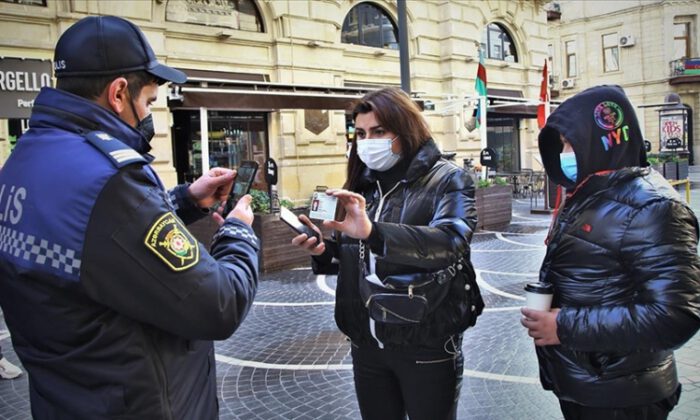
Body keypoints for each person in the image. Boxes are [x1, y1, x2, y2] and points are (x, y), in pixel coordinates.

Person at [0, 16, 259, 419]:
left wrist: (186, 200)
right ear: (119, 92)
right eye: (150, 101)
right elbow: (219, 304)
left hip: (67, 397)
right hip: (137, 402)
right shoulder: (108, 177)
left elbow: (98, 242)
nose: (150, 114)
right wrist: (239, 232)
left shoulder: (26, 158)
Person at [293, 87, 480, 420]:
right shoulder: (363, 184)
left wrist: (373, 232)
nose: (368, 141)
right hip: (366, 341)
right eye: (361, 133)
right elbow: (359, 254)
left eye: (379, 131)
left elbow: (451, 243)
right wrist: (325, 251)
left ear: (406, 129)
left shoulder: (448, 179)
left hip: (426, 338)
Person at [521, 85, 700, 419]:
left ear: (601, 138)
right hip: (586, 384)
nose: (565, 153)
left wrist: (564, 326)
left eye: (570, 144)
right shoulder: (589, 192)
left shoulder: (653, 208)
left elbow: (677, 315)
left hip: (622, 395)